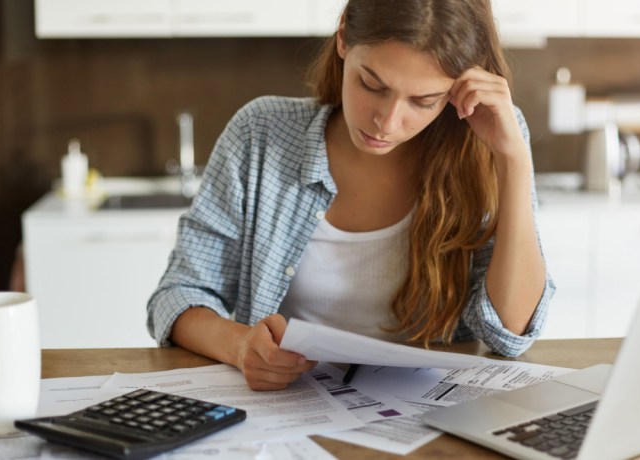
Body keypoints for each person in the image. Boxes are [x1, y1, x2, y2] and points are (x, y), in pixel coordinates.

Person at [147, 0, 554, 391]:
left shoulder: (486, 143)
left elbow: (510, 333)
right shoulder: (261, 133)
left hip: (429, 420)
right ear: (343, 36)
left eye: (423, 101)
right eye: (372, 85)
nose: (387, 122)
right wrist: (239, 346)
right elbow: (179, 295)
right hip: (290, 409)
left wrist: (511, 157)